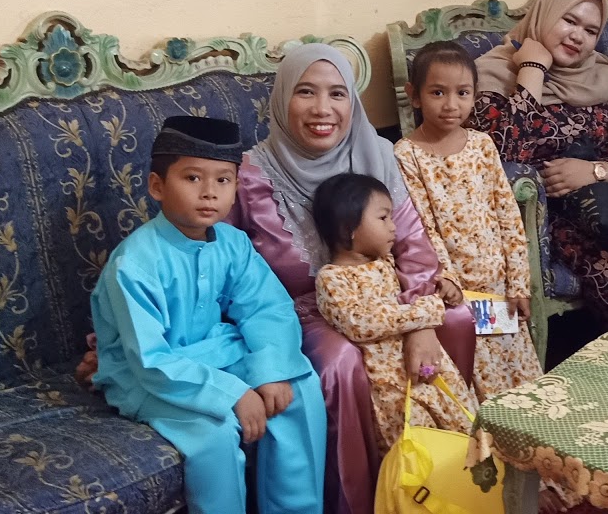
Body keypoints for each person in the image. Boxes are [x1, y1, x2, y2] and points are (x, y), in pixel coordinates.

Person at [233, 44, 475, 514]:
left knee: (459, 318)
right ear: (282, 99)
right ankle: (359, 500)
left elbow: (413, 246)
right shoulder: (248, 176)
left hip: (389, 299)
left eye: (337, 93)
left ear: (353, 101)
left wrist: (420, 324)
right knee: (340, 362)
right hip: (299, 315)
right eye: (306, 92)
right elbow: (215, 257)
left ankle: (447, 471)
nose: (323, 109)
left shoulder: (376, 154)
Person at [89, 116, 325, 514]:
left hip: (215, 352)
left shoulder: (233, 243)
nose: (209, 192)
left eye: (223, 180)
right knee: (213, 436)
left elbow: (266, 307)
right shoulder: (134, 264)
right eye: (193, 178)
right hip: (150, 376)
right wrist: (233, 393)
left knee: (298, 387)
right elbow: (149, 360)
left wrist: (270, 369)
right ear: (157, 186)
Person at [468, 0, 608, 323]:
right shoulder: (490, 75)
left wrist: (595, 171)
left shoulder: (604, 78)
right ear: (545, 14)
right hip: (546, 221)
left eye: (590, 30)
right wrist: (532, 69)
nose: (578, 36)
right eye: (569, 20)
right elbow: (502, 156)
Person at [396, 41, 544, 397]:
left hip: (499, 285)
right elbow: (423, 227)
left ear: (474, 95)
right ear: (414, 96)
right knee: (480, 376)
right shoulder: (406, 155)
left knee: (517, 371)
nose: (451, 104)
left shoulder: (482, 145)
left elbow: (507, 215)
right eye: (437, 92)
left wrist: (518, 284)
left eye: (462, 93)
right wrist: (447, 279)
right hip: (457, 294)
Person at [313, 173, 477, 448]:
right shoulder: (331, 278)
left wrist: (447, 286)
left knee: (463, 425)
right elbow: (360, 323)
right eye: (383, 217)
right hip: (393, 387)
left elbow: (421, 279)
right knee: (421, 449)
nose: (393, 227)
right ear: (347, 228)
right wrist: (427, 311)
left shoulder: (385, 262)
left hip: (430, 368)